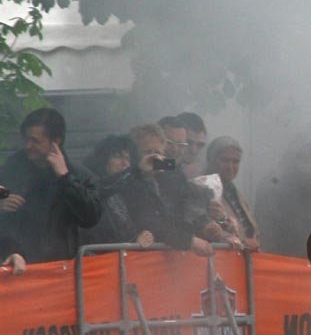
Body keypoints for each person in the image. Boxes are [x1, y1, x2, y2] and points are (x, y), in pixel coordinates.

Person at [0, 108, 102, 263]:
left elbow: (90, 218)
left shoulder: (80, 175)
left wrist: (65, 178)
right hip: (16, 262)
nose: (28, 145)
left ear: (56, 141)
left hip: (61, 264)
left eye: (35, 141)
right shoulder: (11, 168)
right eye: (26, 139)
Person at [120, 123, 212, 255]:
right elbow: (151, 222)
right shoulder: (126, 181)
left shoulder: (170, 172)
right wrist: (189, 241)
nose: (154, 158)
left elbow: (179, 209)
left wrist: (207, 225)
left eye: (157, 152)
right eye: (147, 152)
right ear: (133, 154)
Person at [79, 135, 155, 247]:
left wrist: (144, 234)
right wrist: (136, 170)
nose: (125, 163)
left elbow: (144, 220)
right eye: (118, 157)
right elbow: (100, 235)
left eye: (128, 159)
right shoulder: (90, 188)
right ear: (103, 160)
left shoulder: (131, 190)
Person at [200, 136, 260, 250]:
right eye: (225, 160)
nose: (230, 166)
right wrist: (243, 242)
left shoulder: (234, 192)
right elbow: (206, 231)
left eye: (235, 161)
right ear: (210, 160)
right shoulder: (200, 189)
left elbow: (251, 230)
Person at [176, 112, 207, 179]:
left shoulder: (204, 168)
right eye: (188, 143)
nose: (194, 151)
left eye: (199, 145)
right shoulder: (159, 164)